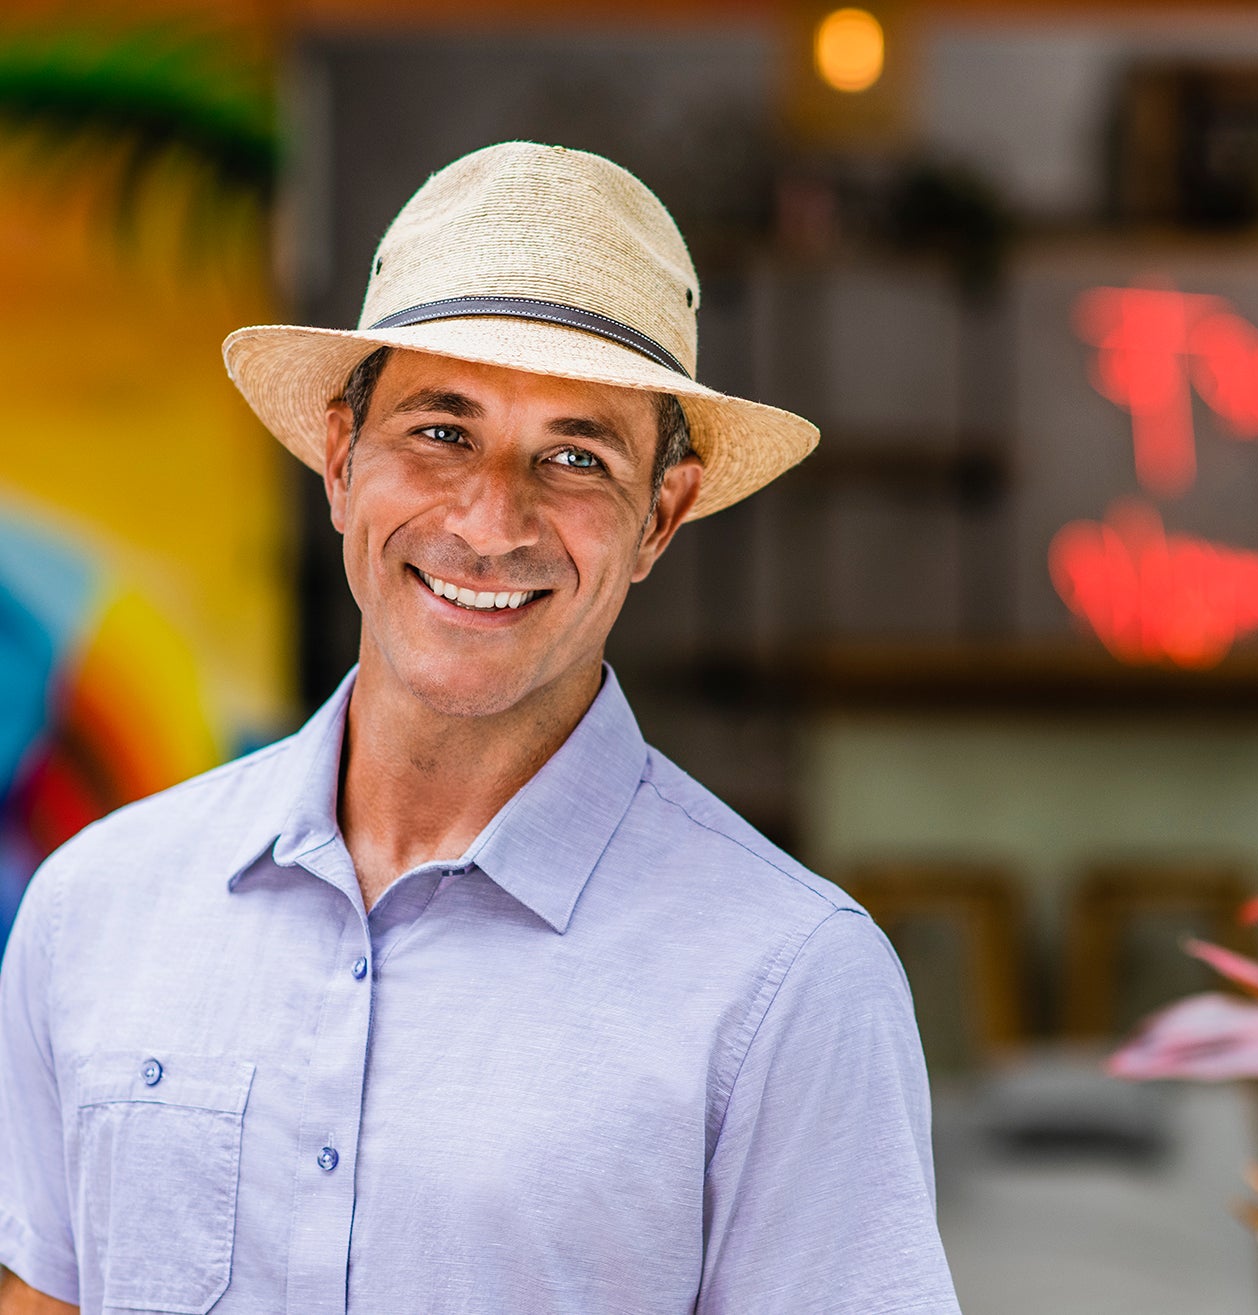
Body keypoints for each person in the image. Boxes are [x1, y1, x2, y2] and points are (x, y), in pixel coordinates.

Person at [0, 141, 960, 1315]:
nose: (490, 521)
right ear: (341, 459)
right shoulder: (96, 905)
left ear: (660, 515)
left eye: (573, 455)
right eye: (440, 431)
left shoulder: (791, 985)